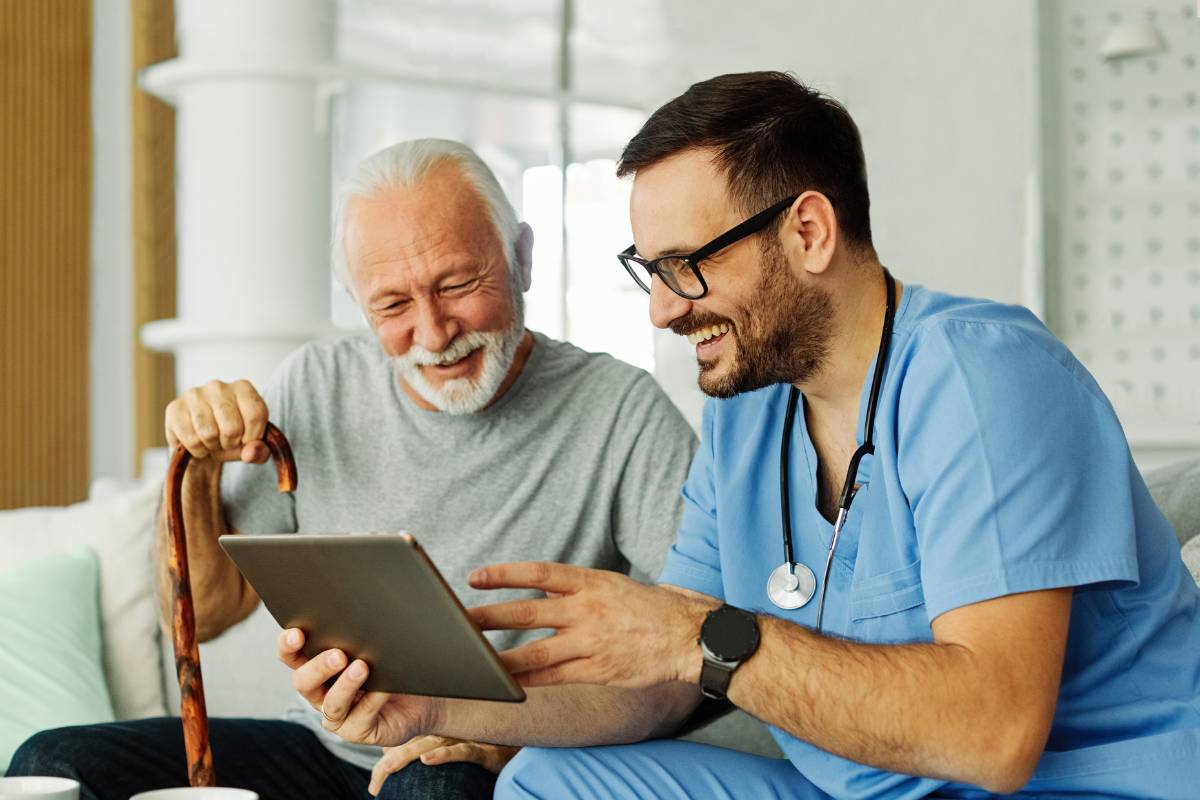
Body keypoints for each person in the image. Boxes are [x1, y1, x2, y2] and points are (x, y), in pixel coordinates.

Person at [287, 72, 1200, 799]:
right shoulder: (748, 412)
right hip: (856, 791)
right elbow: (662, 680)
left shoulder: (986, 378)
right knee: (551, 783)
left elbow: (995, 737)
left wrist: (698, 632)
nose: (660, 310)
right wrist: (434, 703)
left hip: (1063, 789)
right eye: (649, 271)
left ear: (806, 231)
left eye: (686, 267)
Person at [7, 139, 697, 799]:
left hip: (475, 755)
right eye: (393, 305)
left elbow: (695, 656)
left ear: (521, 258)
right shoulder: (315, 382)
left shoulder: (621, 410)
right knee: (52, 761)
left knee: (435, 778)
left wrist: (520, 740)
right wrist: (201, 471)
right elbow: (204, 615)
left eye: (457, 284)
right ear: (359, 304)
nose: (433, 333)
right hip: (325, 749)